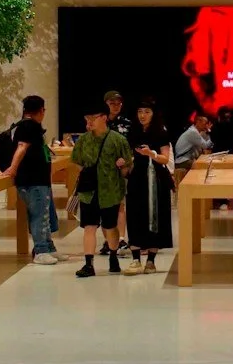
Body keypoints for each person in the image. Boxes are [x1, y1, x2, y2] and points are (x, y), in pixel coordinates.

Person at [69, 105, 130, 277]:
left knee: (110, 226)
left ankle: (113, 256)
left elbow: (127, 170)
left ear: (104, 117)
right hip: (89, 192)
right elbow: (76, 161)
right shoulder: (83, 140)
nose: (89, 122)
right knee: (89, 226)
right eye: (87, 118)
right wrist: (87, 173)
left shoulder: (118, 140)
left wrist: (122, 165)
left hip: (111, 191)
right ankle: (88, 264)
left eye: (92, 118)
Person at [2, 94, 59, 265]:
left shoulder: (29, 126)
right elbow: (22, 147)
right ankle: (41, 250)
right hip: (33, 180)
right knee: (39, 215)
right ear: (41, 110)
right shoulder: (28, 126)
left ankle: (49, 248)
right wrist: (13, 168)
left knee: (45, 215)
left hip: (40, 179)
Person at [125, 99, 175, 271]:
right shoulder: (133, 131)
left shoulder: (160, 132)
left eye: (147, 112)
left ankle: (151, 260)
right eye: (140, 111)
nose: (142, 115)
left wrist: (150, 153)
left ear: (153, 114)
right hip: (137, 176)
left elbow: (165, 159)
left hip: (156, 178)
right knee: (135, 214)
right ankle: (135, 259)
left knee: (155, 215)